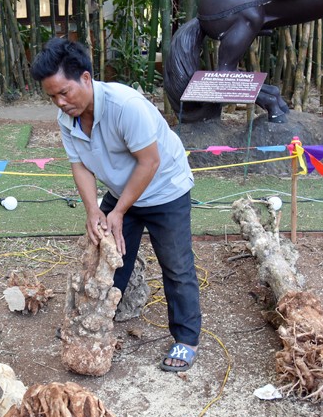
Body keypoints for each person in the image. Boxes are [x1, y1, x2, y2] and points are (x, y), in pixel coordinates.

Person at [31, 37, 202, 373]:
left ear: (85, 77)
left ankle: (186, 339)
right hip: (123, 189)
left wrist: (118, 211)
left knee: (177, 266)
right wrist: (94, 209)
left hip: (165, 188)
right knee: (110, 260)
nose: (60, 102)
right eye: (52, 96)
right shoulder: (68, 118)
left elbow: (149, 162)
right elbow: (79, 164)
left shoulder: (126, 106)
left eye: (64, 92)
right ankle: (93, 323)